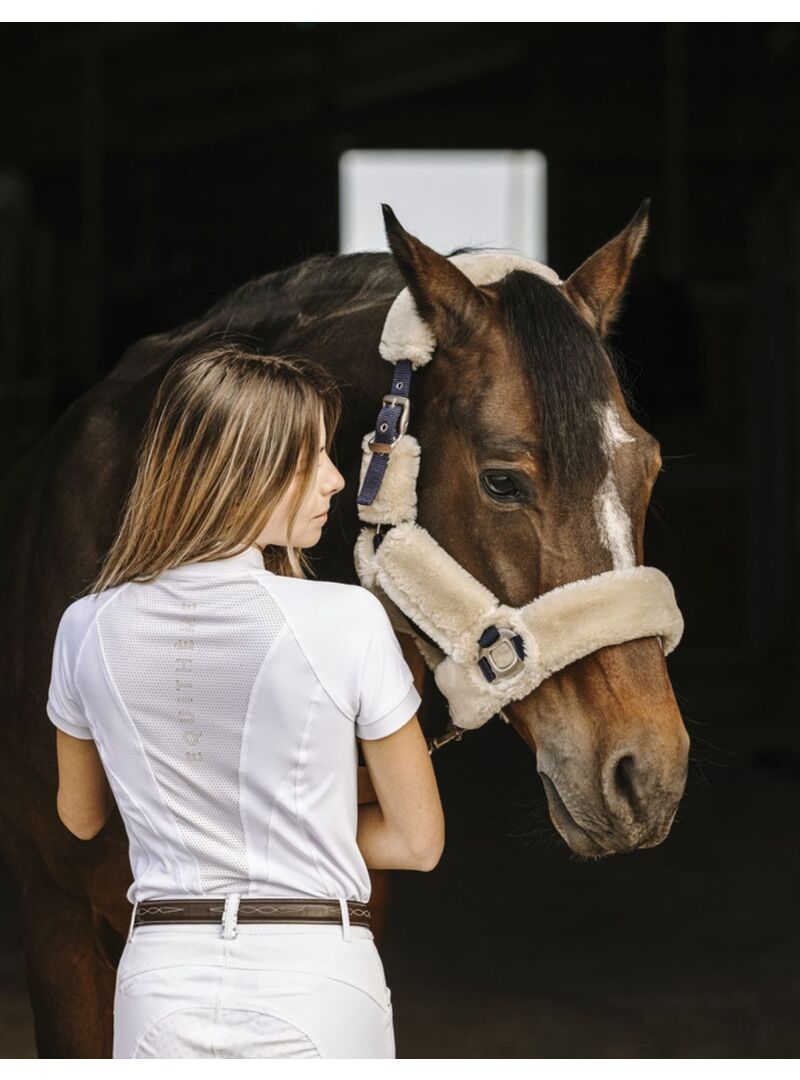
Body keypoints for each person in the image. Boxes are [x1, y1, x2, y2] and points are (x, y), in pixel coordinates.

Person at [46, 342, 445, 1058]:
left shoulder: (84, 628)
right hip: (316, 978)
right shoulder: (347, 619)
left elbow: (79, 818)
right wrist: (292, 833)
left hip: (161, 979)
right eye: (309, 459)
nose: (333, 481)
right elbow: (419, 842)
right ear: (238, 474)